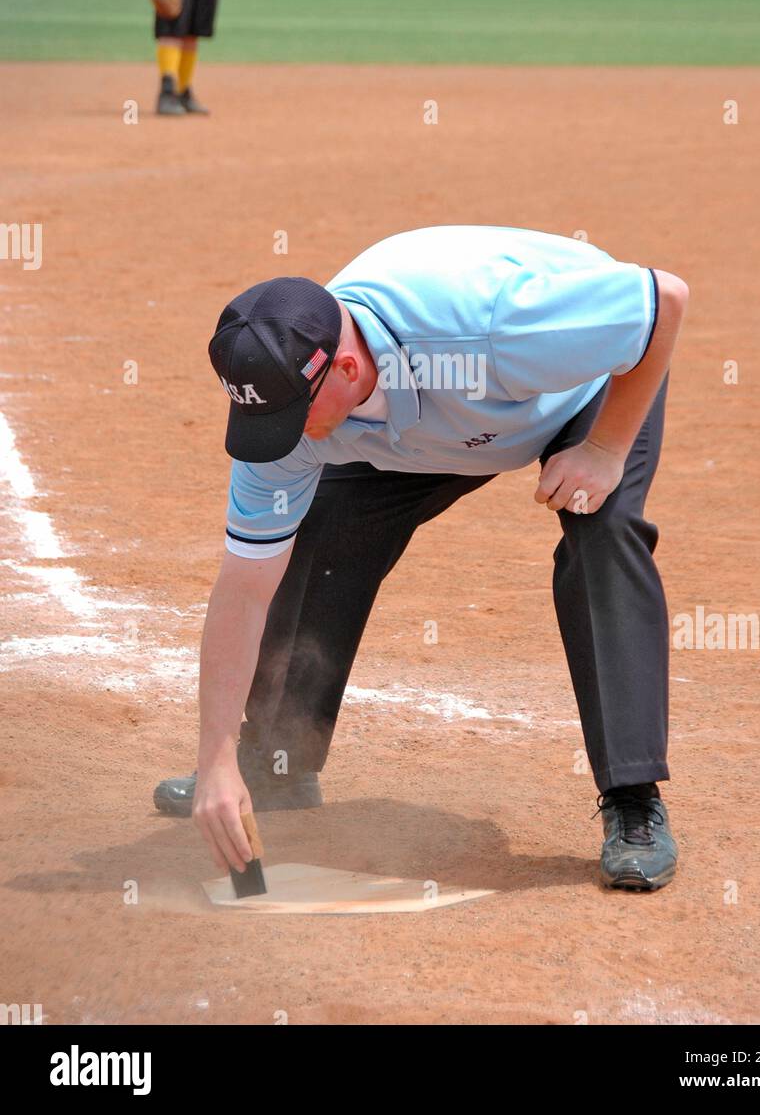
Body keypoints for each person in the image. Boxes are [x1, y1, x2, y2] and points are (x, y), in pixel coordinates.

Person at [154, 225, 689, 892]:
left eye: (293, 418)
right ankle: (275, 760)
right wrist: (216, 760)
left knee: (601, 529)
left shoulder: (493, 328)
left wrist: (606, 450)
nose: (281, 441)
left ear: (345, 370)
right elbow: (243, 589)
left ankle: (634, 798)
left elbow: (663, 299)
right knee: (324, 527)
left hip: (570, 400)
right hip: (428, 432)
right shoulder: (297, 404)